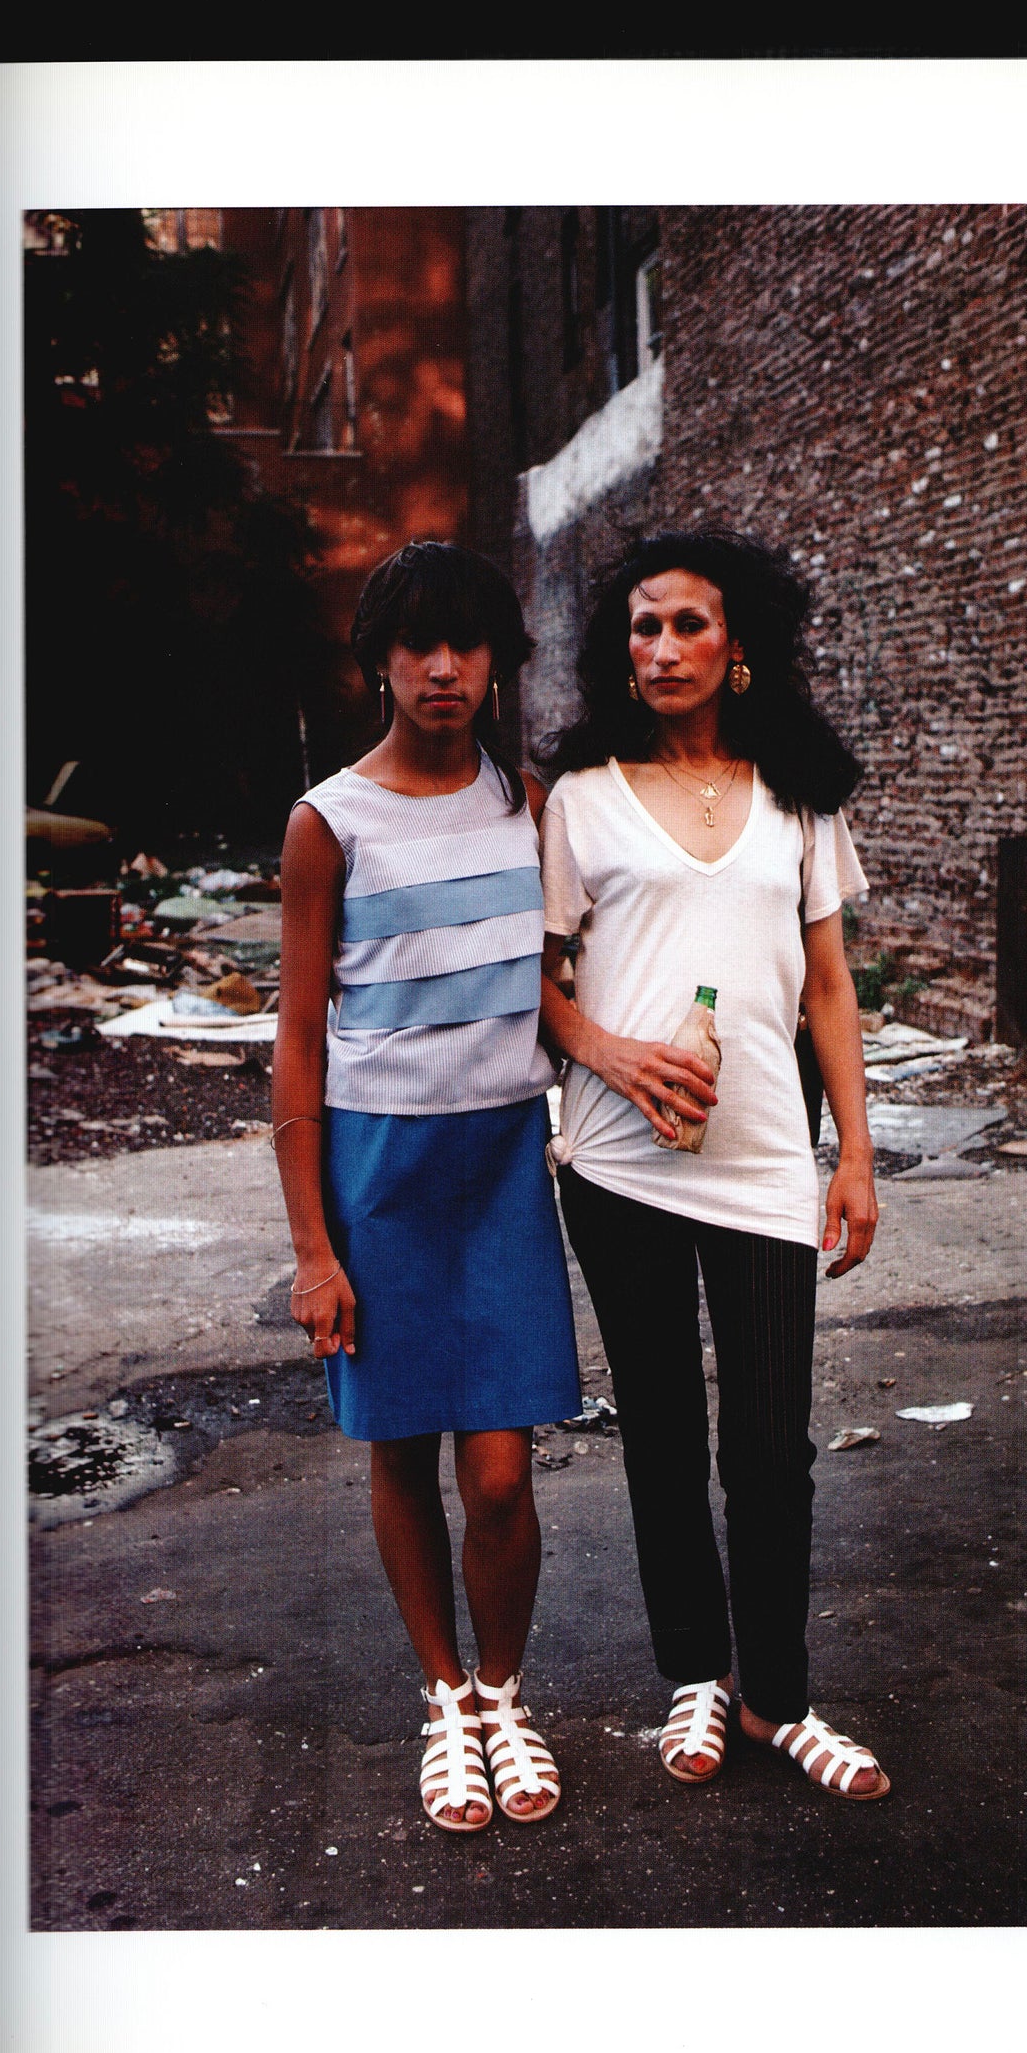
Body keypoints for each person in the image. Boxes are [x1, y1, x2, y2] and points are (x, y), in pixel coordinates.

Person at [538, 529, 890, 1802]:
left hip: (761, 1161)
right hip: (617, 1162)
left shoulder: (796, 795)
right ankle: (693, 1674)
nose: (665, 646)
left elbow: (830, 989)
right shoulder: (578, 798)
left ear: (737, 643)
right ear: (619, 648)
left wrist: (853, 1155)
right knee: (661, 1432)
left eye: (689, 623)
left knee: (770, 1445)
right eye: (644, 625)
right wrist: (610, 1055)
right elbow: (538, 983)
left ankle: (775, 1698)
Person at [271, 542, 580, 1836]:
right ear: (379, 662)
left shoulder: (529, 803)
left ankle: (503, 1694)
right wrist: (312, 1248)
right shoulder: (328, 820)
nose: (442, 667)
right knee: (401, 1447)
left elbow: (557, 985)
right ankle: (444, 1699)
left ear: (499, 663)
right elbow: (296, 1042)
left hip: (500, 1164)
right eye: (417, 644)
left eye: (466, 644)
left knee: (500, 1473)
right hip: (379, 1171)